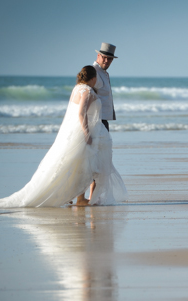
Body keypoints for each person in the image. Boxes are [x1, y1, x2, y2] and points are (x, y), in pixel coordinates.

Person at [0, 66, 128, 208]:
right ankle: (78, 198)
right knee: (82, 167)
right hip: (83, 134)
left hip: (75, 133)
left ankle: (71, 196)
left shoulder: (77, 88)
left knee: (73, 165)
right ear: (93, 78)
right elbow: (81, 114)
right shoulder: (86, 91)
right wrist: (87, 133)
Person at [77, 42, 119, 203]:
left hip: (103, 120)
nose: (107, 61)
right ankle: (83, 197)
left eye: (110, 59)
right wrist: (87, 127)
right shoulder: (94, 72)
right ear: (98, 56)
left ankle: (91, 197)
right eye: (105, 58)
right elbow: (85, 94)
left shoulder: (103, 73)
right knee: (92, 161)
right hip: (97, 121)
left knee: (100, 160)